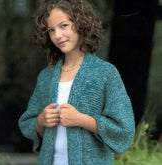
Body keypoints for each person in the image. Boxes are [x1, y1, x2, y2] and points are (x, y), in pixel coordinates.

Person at [18, 0, 135, 165]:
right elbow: (27, 123)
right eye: (51, 30)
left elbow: (124, 128)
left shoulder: (105, 73)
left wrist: (81, 119)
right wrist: (40, 121)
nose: (57, 35)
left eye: (64, 25)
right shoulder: (46, 76)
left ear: (82, 24)